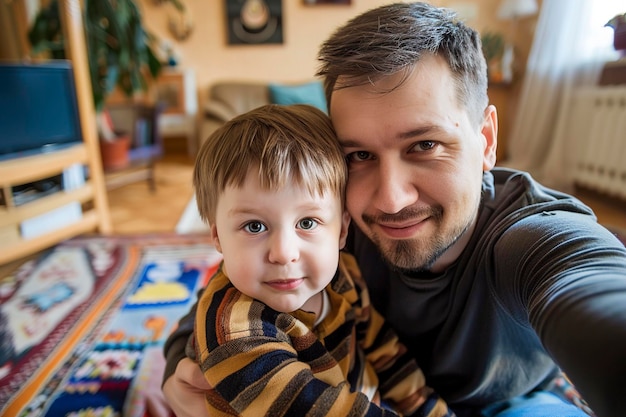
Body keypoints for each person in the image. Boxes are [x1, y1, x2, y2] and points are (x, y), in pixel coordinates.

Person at [163, 3, 626, 417]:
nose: (390, 200)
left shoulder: (533, 235)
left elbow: (591, 285)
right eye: (359, 155)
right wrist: (179, 367)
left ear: (485, 140)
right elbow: (224, 294)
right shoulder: (328, 220)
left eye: (424, 145)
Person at [186, 103, 454, 416]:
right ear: (217, 238)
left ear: (341, 231)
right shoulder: (232, 329)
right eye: (254, 226)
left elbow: (386, 352)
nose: (284, 253)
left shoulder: (344, 275)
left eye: (307, 223)